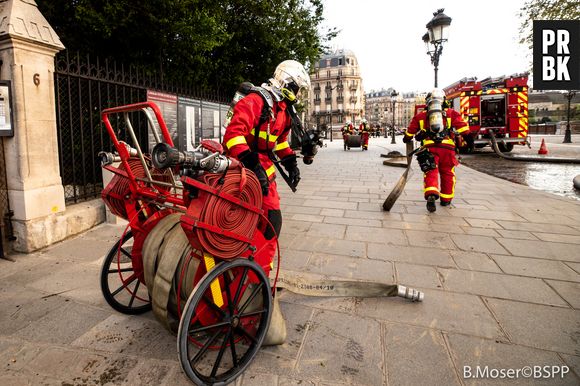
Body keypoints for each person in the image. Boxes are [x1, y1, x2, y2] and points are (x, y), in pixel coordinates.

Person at [222, 60, 311, 344]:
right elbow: (233, 136)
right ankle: (256, 278)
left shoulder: (283, 110)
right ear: (287, 83)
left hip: (262, 169)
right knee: (271, 224)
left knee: (266, 223)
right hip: (243, 167)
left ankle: (256, 268)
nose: (298, 94)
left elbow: (278, 142)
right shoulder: (256, 101)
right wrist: (251, 163)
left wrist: (291, 162)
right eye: (297, 88)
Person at [403, 88, 469, 212]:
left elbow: (410, 132)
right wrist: (469, 140)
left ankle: (431, 194)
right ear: (444, 100)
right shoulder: (451, 113)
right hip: (447, 149)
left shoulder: (421, 116)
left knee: (431, 171)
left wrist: (407, 138)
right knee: (448, 173)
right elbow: (463, 128)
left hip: (430, 148)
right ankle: (446, 199)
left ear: (428, 102)